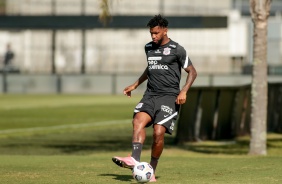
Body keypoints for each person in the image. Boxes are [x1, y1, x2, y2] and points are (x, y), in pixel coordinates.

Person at [112, 14, 197, 182]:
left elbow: (192, 72)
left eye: (156, 33)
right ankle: (135, 158)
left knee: (158, 133)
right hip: (150, 95)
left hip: (169, 97)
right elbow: (151, 68)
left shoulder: (177, 49)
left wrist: (184, 91)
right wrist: (135, 84)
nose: (153, 36)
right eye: (151, 33)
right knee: (137, 121)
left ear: (165, 30)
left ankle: (151, 170)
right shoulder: (148, 48)